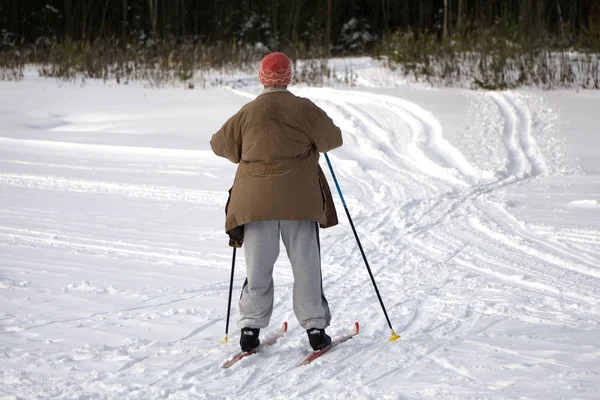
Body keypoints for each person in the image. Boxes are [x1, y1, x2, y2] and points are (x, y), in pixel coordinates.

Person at [210, 52, 343, 352]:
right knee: (306, 265)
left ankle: (249, 331)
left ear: (262, 77)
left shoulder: (248, 112)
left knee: (258, 268)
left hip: (256, 205)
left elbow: (220, 144)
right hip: (300, 202)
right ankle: (315, 331)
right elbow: (332, 139)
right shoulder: (303, 108)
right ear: (288, 77)